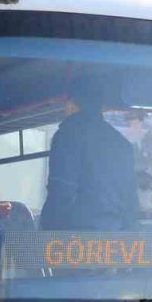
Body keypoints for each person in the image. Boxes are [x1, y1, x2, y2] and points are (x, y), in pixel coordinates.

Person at [40, 74, 137, 231]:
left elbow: (62, 191)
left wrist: (47, 236)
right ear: (101, 105)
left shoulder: (68, 135)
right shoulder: (121, 143)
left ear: (72, 103)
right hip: (115, 242)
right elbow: (131, 201)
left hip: (75, 242)